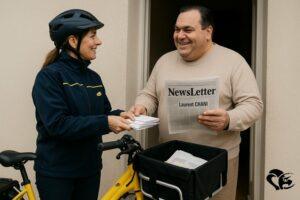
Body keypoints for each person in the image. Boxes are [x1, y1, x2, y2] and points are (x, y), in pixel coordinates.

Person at [130, 5, 263, 200]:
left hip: (216, 163)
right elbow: (149, 94)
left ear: (208, 32)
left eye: (188, 30)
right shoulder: (164, 61)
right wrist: (142, 106)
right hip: (171, 160)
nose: (180, 35)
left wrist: (228, 119)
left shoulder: (233, 61)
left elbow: (253, 104)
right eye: (177, 29)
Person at [32, 9, 134, 200]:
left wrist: (121, 115)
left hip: (89, 170)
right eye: (93, 35)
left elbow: (102, 113)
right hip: (57, 173)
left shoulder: (93, 77)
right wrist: (106, 122)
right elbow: (58, 125)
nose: (99, 42)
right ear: (72, 41)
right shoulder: (49, 76)